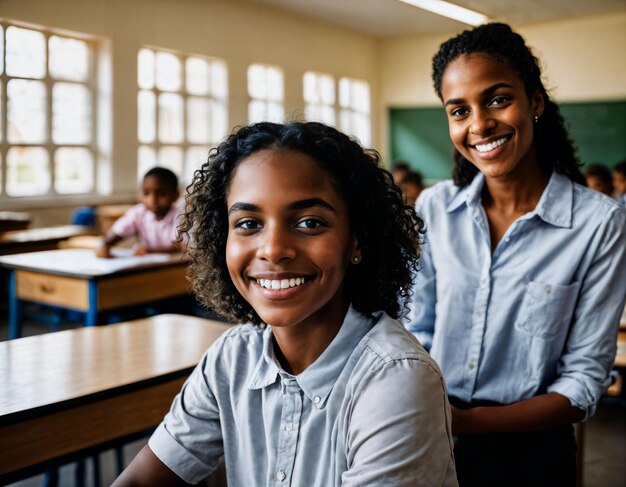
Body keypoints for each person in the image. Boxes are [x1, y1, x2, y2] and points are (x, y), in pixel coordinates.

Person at [112, 122, 458, 487]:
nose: (274, 249)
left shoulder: (395, 378)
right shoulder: (232, 358)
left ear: (357, 240)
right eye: (248, 223)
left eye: (309, 222)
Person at [406, 23, 626, 486]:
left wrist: (464, 423)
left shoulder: (598, 223)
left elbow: (583, 381)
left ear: (536, 102)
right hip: (427, 435)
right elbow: (417, 327)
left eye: (498, 99)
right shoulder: (436, 208)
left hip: (533, 454)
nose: (480, 124)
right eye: (459, 110)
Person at [96, 167, 182, 258]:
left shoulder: (182, 217)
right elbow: (115, 234)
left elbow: (182, 248)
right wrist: (104, 245)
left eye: (161, 194)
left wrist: (150, 251)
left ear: (175, 195)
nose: (152, 200)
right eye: (146, 193)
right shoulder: (138, 213)